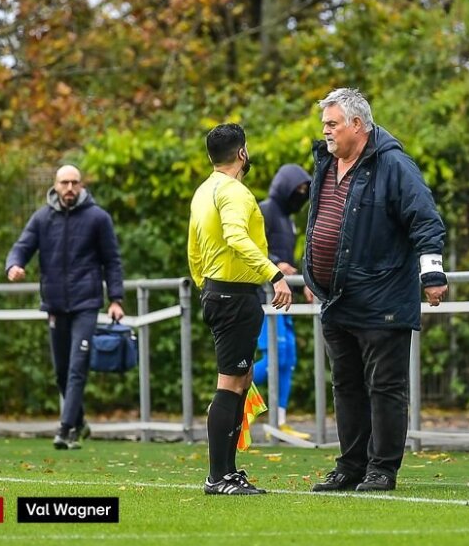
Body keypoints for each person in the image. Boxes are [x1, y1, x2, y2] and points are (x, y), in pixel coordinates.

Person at [303, 88, 448, 493]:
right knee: (346, 386)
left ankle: (382, 468)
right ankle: (351, 466)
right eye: (324, 124)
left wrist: (432, 275)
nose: (325, 131)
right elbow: (321, 221)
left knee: (385, 387)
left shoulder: (395, 165)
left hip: (382, 297)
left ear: (357, 124)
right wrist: (314, 275)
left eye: (332, 124)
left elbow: (425, 220)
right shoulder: (326, 162)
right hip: (338, 299)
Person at [188, 124, 294, 496]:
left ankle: (229, 472)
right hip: (234, 296)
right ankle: (218, 477)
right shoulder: (235, 191)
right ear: (242, 153)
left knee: (243, 379)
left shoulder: (204, 190)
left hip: (220, 292)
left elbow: (194, 250)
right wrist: (274, 274)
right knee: (231, 383)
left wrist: (205, 286)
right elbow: (235, 236)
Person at [6, 165, 125, 451]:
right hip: (55, 305)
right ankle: (80, 421)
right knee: (61, 371)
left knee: (76, 367)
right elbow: (21, 247)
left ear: (81, 185)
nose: (69, 188)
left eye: (74, 182)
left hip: (87, 303)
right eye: (64, 183)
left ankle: (66, 429)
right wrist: (14, 265)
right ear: (56, 185)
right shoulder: (42, 218)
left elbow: (112, 261)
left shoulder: (98, 218)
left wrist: (116, 300)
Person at [254, 163, 314, 439]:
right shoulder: (265, 210)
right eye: (297, 189)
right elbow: (252, 249)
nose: (300, 195)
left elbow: (288, 264)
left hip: (284, 296)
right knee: (274, 357)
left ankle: (279, 423)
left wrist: (305, 285)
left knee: (287, 358)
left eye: (304, 190)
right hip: (264, 297)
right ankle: (226, 396)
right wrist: (276, 264)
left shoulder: (289, 221)